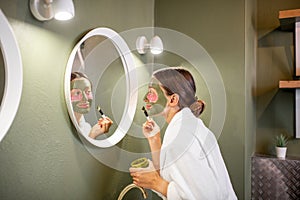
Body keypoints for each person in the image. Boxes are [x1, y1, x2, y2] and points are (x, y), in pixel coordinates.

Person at [130, 67, 237, 199]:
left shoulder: (180, 137)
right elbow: (178, 181)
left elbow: (203, 197)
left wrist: (156, 183)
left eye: (151, 93)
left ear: (173, 100)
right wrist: (154, 139)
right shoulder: (191, 125)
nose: (146, 98)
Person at [70, 72, 113, 139]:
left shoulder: (86, 127)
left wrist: (94, 132)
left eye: (88, 92)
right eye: (77, 93)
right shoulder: (63, 128)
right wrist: (92, 134)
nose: (85, 98)